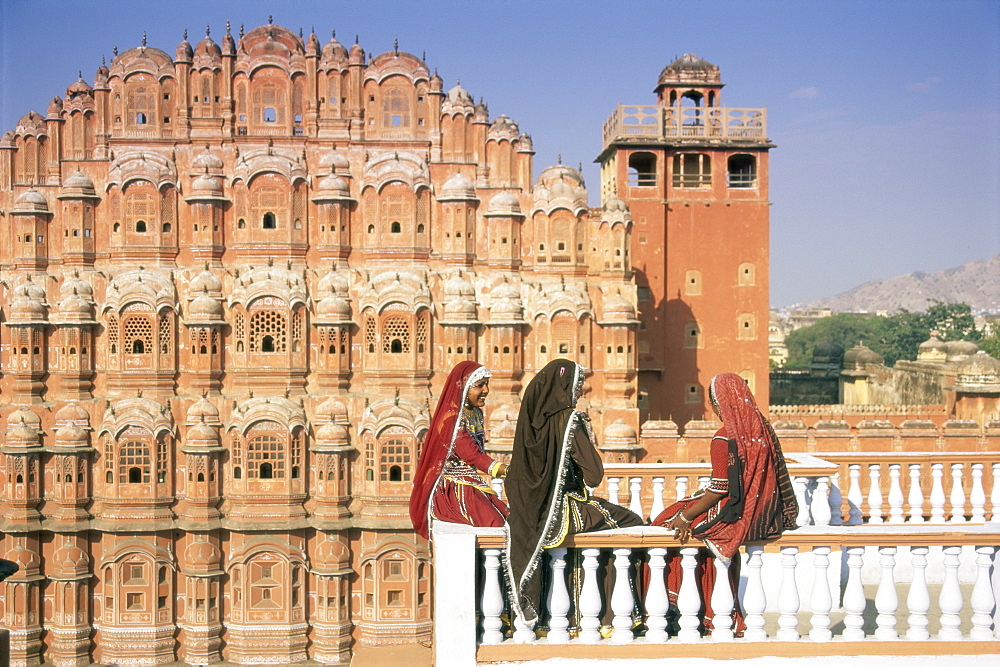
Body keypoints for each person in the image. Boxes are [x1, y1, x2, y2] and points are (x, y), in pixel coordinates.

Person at [651, 372, 798, 634]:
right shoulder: (762, 430)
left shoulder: (724, 437)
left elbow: (720, 488)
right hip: (764, 511)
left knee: (665, 521)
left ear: (719, 403)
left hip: (735, 511)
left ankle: (688, 609)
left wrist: (686, 516)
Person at [505, 358, 644, 629]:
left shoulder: (529, 423)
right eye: (577, 385)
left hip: (532, 513)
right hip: (564, 510)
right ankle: (613, 618)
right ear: (564, 387)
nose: (581, 391)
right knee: (631, 522)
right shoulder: (569, 419)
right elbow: (594, 474)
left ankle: (556, 621)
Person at [410, 361, 509, 539]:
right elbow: (472, 455)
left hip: (471, 483)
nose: (486, 390)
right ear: (463, 388)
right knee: (494, 522)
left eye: (487, 384)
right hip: (453, 487)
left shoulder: (475, 413)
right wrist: (509, 470)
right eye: (480, 385)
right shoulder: (452, 418)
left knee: (506, 516)